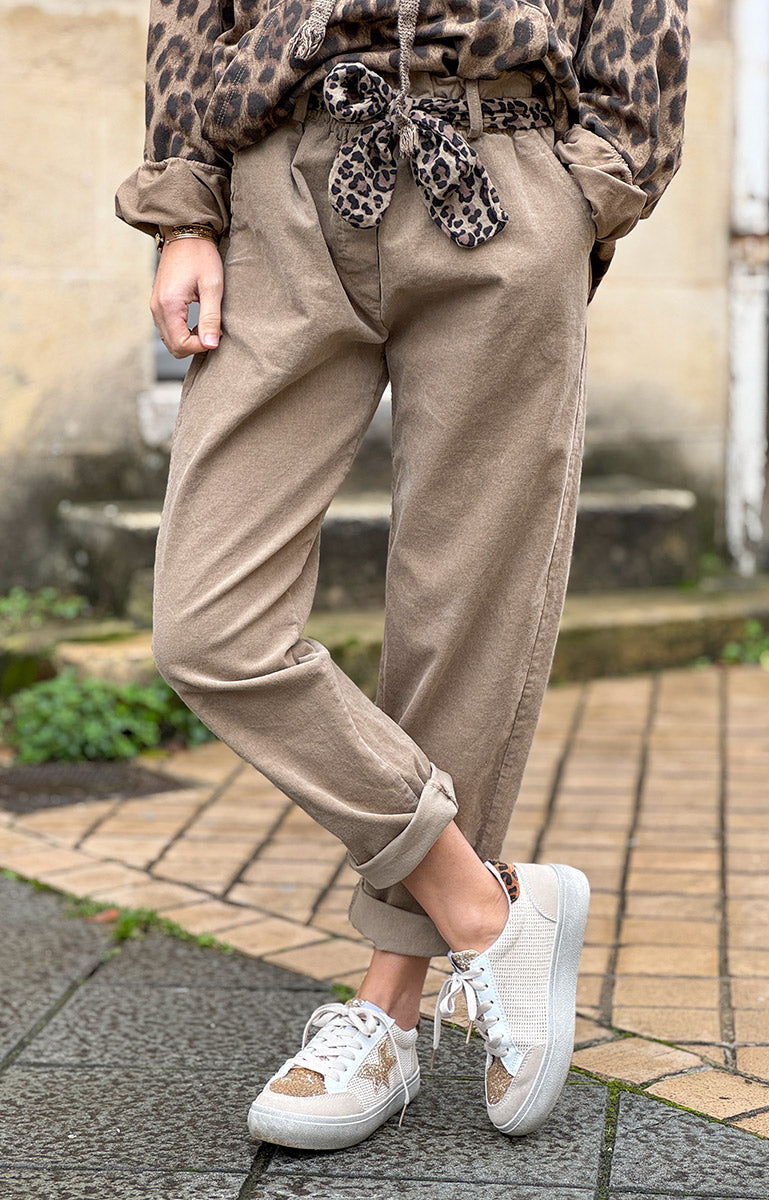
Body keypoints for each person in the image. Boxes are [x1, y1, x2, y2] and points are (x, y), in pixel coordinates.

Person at [116, 0, 690, 1152]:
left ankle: (388, 1011)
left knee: (462, 610)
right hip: (284, 185)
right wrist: (184, 209)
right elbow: (191, 15)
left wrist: (585, 195)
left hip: (501, 178)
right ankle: (485, 909)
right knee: (207, 625)